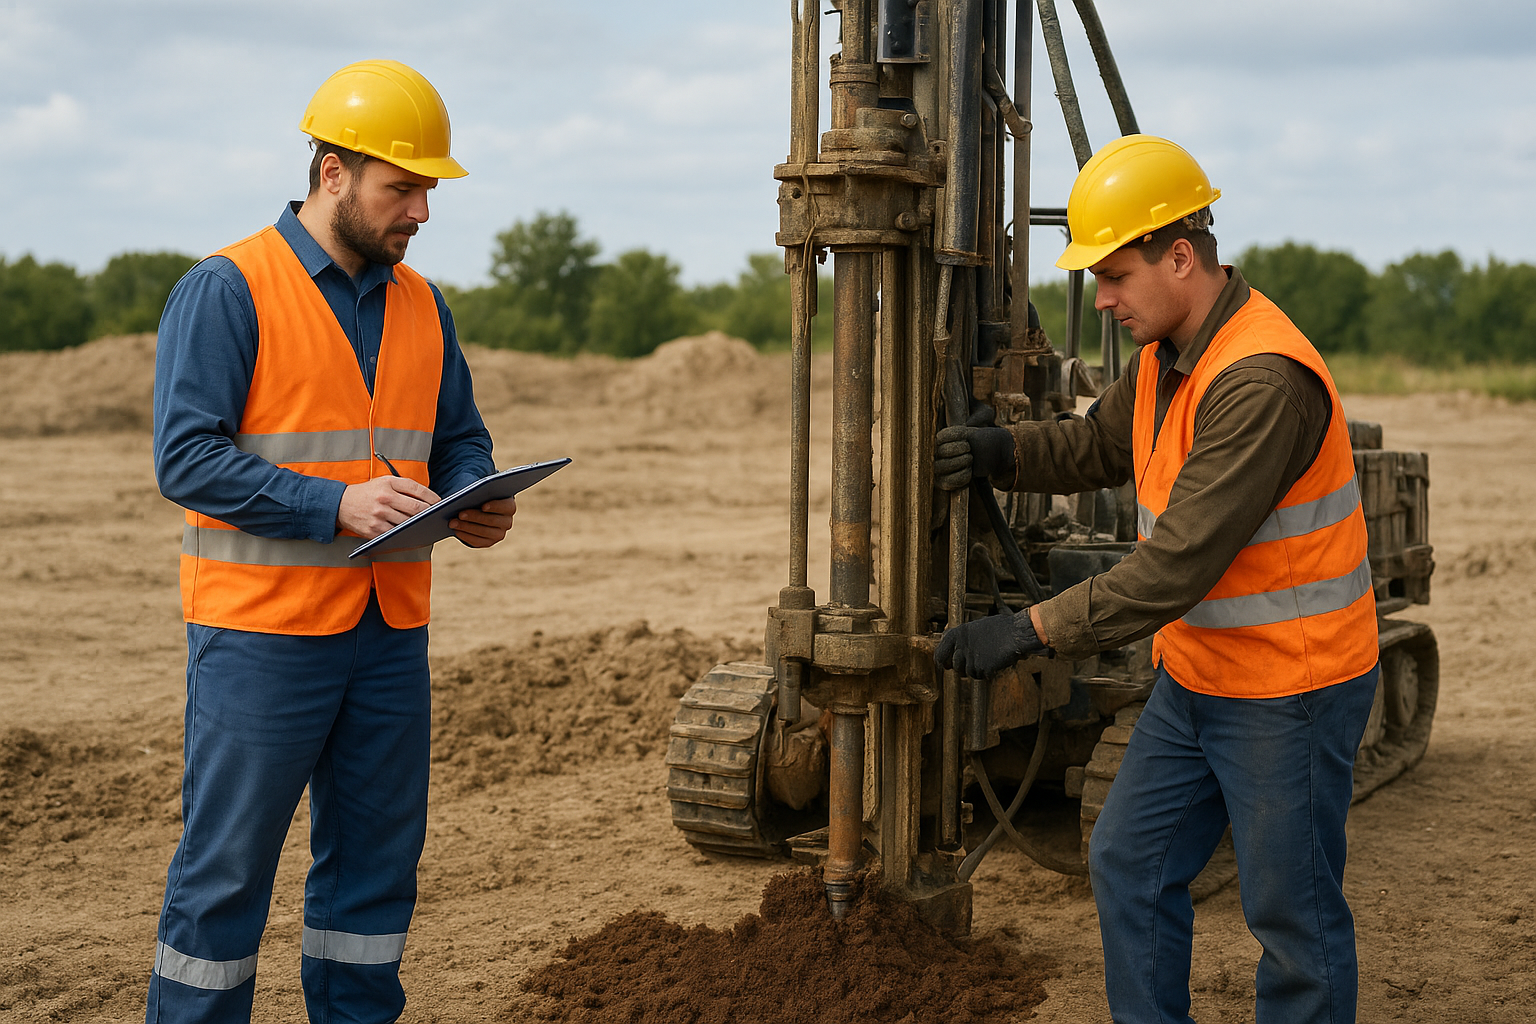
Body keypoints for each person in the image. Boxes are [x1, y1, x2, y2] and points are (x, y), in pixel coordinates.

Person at [935, 134, 1380, 1023]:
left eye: (1115, 275)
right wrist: (1002, 451)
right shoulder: (1164, 359)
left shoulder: (1261, 380)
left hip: (1290, 684)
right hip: (1199, 675)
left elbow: (1173, 566)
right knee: (1129, 863)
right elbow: (1100, 444)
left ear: (1180, 256)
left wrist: (1028, 632)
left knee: (1293, 919)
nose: (1100, 300)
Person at [146, 60, 513, 1024]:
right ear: (333, 173)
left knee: (375, 877)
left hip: (388, 635)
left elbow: (458, 435)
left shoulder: (424, 303)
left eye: (429, 190)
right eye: (403, 188)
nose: (421, 212)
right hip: (262, 637)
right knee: (226, 874)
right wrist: (333, 508)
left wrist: (474, 493)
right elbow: (185, 460)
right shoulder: (227, 290)